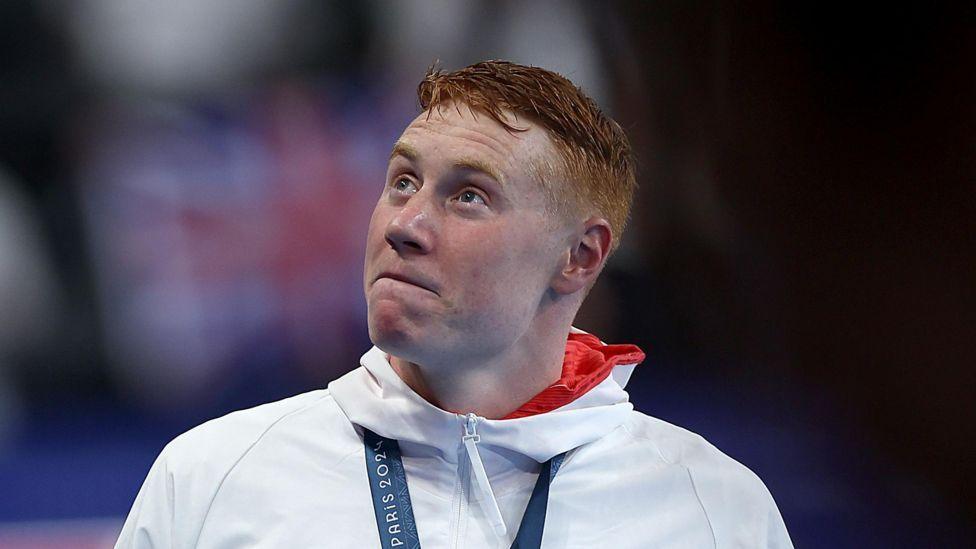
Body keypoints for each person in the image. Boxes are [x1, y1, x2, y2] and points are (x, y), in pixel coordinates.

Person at [116, 61, 792, 548]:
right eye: (402, 180)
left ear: (580, 256)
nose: (403, 223)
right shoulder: (213, 476)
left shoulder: (713, 509)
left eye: (468, 195)